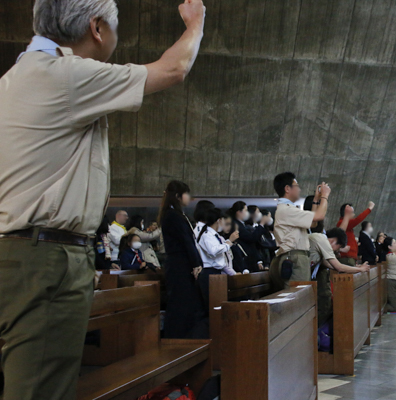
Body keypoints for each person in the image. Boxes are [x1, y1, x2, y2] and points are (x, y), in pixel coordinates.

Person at [0, 0, 206, 398]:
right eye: (115, 27)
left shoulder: (13, 79)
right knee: (41, 390)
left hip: (15, 252)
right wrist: (195, 24)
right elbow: (173, 68)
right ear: (97, 28)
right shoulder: (64, 75)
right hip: (46, 260)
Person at [159, 180, 205, 339]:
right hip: (179, 264)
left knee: (185, 303)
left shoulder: (176, 214)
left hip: (181, 263)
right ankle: (175, 339)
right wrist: (196, 264)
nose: (189, 197)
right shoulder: (173, 215)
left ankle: (184, 337)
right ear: (178, 196)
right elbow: (186, 241)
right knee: (179, 304)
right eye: (187, 194)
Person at [270, 172, 330, 290]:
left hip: (296, 256)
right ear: (287, 188)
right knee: (297, 297)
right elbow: (319, 215)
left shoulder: (289, 209)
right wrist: (325, 196)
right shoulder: (286, 210)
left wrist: (316, 200)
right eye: (296, 186)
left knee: (300, 297)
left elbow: (313, 223)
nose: (299, 189)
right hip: (295, 257)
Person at [309, 227, 370, 329]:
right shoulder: (321, 240)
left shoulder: (320, 242)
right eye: (338, 248)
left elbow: (330, 265)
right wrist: (360, 270)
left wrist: (354, 268)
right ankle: (313, 332)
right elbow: (338, 267)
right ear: (333, 241)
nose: (336, 251)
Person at [197, 208, 240, 320]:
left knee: (220, 306)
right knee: (212, 308)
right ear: (218, 220)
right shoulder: (206, 235)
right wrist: (229, 242)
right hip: (209, 273)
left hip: (217, 273)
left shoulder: (215, 235)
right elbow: (213, 251)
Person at [229, 201, 270, 271]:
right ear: (239, 212)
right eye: (245, 210)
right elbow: (251, 238)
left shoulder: (242, 224)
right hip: (244, 260)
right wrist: (261, 224)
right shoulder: (236, 225)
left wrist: (258, 260)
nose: (247, 212)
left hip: (250, 259)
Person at [337, 201, 375, 266]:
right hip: (347, 257)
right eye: (351, 212)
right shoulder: (342, 222)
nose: (353, 215)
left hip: (350, 257)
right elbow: (358, 219)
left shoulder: (347, 225)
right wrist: (369, 208)